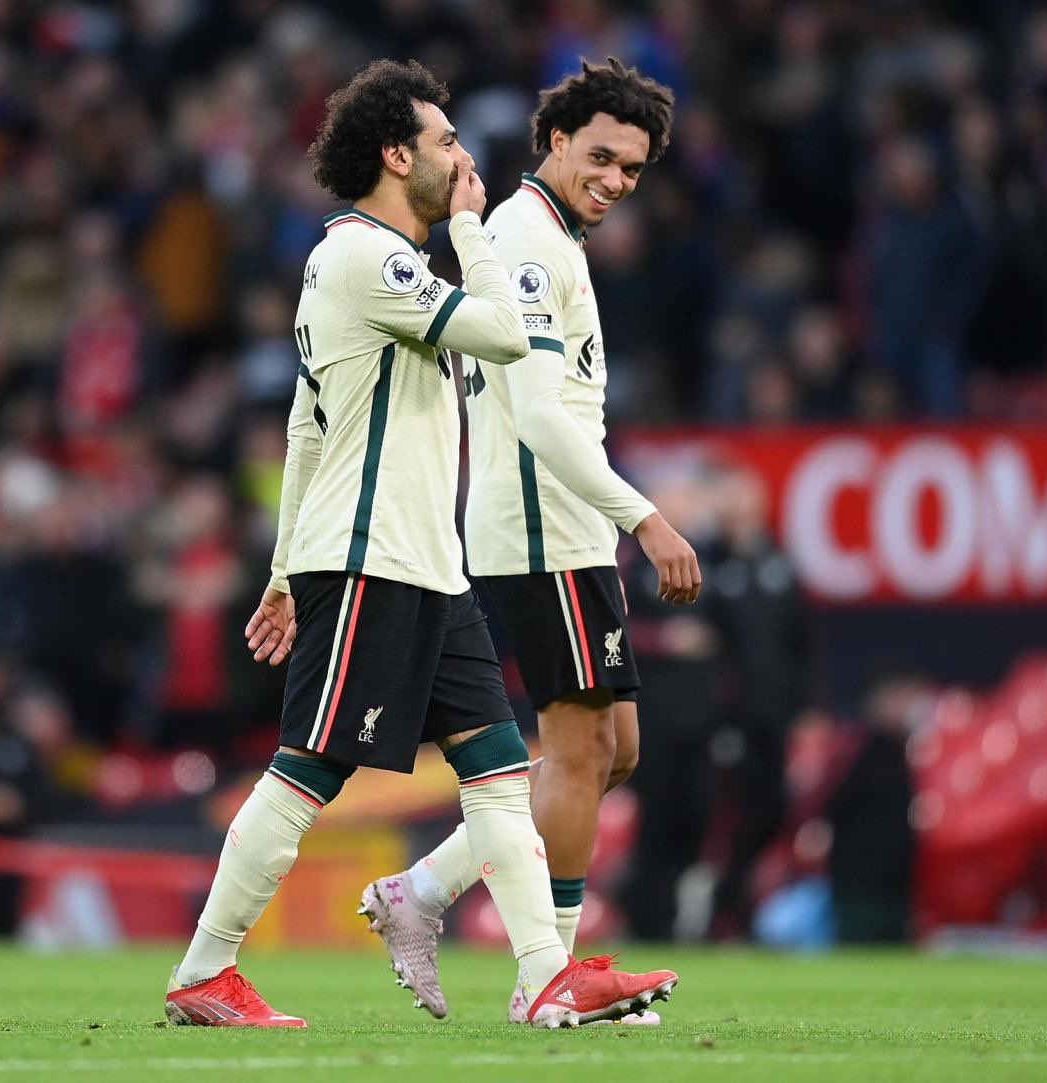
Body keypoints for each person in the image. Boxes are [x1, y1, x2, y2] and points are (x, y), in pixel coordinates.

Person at [162, 59, 676, 1030]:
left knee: (498, 772)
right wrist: (474, 227)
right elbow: (505, 336)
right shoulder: (370, 258)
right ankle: (204, 967)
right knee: (309, 770)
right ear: (398, 156)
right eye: (445, 142)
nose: (462, 158)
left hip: (427, 565)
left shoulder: (373, 267)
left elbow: (304, 428)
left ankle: (544, 974)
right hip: (372, 557)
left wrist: (279, 569)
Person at [359, 57, 700, 1025]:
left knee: (611, 750)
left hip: (566, 527)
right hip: (540, 525)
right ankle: (544, 976)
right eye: (601, 156)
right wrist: (645, 516)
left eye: (631, 168)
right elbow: (542, 417)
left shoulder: (550, 237)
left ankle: (421, 889)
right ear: (555, 139)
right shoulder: (525, 241)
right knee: (580, 748)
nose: (615, 180)